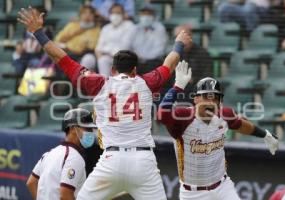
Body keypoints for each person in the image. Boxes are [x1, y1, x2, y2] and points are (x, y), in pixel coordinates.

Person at [17, 6, 192, 199]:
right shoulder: (146, 82)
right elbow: (170, 62)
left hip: (111, 160)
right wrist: (178, 44)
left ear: (113, 69)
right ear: (135, 70)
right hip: (143, 161)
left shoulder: (99, 84)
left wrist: (38, 33)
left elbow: (60, 57)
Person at [157, 61, 279, 200]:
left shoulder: (224, 115)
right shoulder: (183, 117)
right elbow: (161, 115)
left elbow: (240, 124)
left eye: (215, 98)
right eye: (206, 96)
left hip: (223, 187)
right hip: (193, 193)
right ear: (196, 99)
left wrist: (265, 134)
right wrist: (177, 87)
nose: (211, 102)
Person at [26, 108, 97, 200]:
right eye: (87, 128)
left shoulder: (49, 154)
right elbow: (65, 195)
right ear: (72, 129)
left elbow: (31, 183)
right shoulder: (74, 158)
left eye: (91, 129)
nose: (91, 132)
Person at [54, 5, 100, 70]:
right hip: (67, 52)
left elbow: (92, 46)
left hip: (83, 55)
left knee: (88, 59)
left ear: (94, 16)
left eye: (90, 13)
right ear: (80, 15)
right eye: (84, 13)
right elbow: (58, 39)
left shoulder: (96, 29)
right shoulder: (72, 25)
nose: (87, 15)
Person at [94, 3, 135, 77]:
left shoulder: (129, 25)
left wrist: (106, 51)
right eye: (113, 13)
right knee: (102, 60)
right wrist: (101, 54)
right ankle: (105, 86)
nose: (115, 15)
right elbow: (98, 48)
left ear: (123, 14)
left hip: (123, 59)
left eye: (118, 13)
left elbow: (125, 47)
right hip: (107, 58)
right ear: (109, 15)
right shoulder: (106, 28)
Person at [12, 6, 53, 75]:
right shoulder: (26, 30)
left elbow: (48, 47)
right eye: (31, 14)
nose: (32, 16)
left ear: (41, 16)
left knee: (36, 64)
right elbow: (25, 41)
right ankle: (20, 83)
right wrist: (20, 46)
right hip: (25, 56)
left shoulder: (46, 30)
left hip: (38, 57)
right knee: (17, 62)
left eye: (35, 14)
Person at [132, 4, 168, 74]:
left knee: (152, 66)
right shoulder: (135, 28)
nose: (145, 17)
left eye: (148, 14)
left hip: (153, 62)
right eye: (143, 14)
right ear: (140, 15)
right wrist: (136, 56)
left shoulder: (160, 28)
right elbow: (129, 45)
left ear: (153, 16)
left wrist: (143, 58)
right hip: (136, 61)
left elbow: (160, 50)